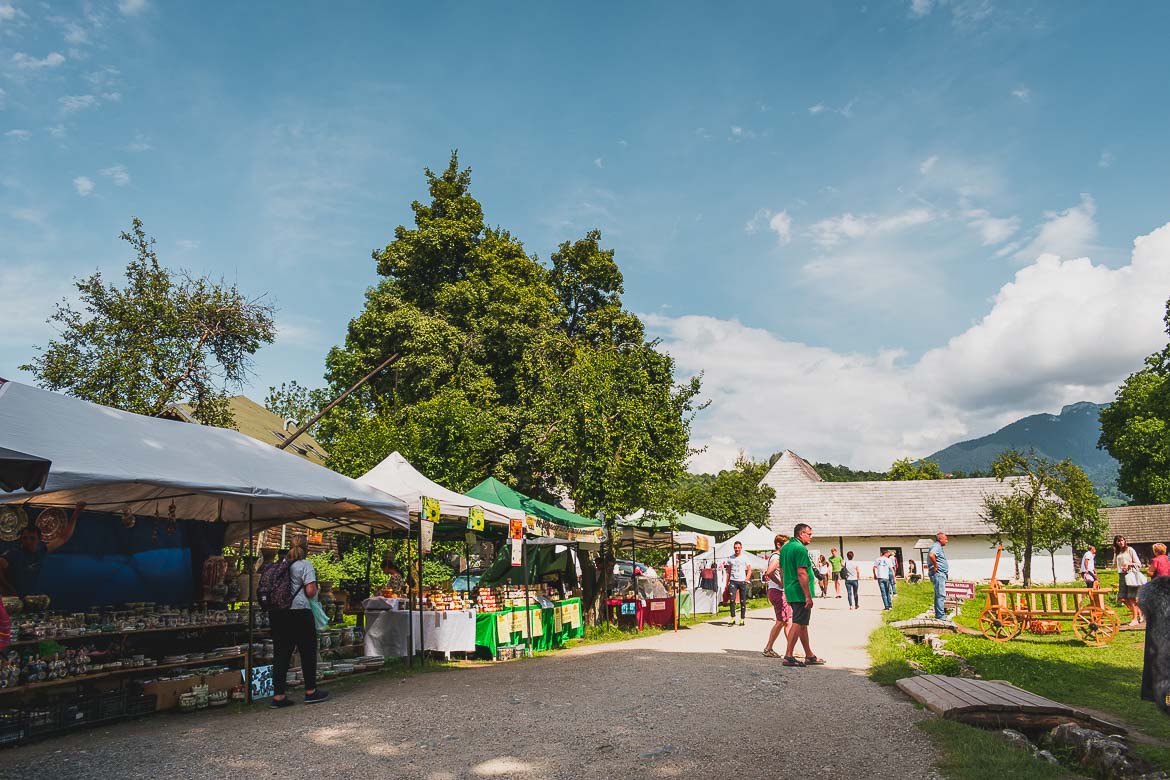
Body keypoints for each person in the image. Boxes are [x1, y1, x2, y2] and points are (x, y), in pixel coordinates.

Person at [270, 535, 329, 707]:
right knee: (307, 651)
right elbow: (310, 591)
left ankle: (278, 696)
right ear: (307, 548)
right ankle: (311, 691)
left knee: (281, 653)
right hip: (299, 612)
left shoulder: (280, 565)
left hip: (279, 613)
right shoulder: (305, 565)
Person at [0, 503, 84, 596]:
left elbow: (63, 538)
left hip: (29, 599)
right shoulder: (13, 554)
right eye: (25, 538)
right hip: (13, 601)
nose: (28, 541)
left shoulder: (40, 551)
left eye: (32, 538)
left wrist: (76, 513)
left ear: (39, 540)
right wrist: (6, 588)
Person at [780, 523, 824, 667]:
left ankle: (809, 655)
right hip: (800, 592)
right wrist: (807, 595)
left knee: (803, 624)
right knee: (798, 622)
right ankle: (788, 655)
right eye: (809, 534)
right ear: (800, 534)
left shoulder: (785, 548)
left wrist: (785, 585)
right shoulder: (800, 549)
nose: (811, 536)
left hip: (790, 589)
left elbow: (781, 570)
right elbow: (802, 572)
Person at [762, 533, 792, 658]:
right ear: (779, 545)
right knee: (782, 621)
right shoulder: (777, 558)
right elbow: (768, 572)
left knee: (786, 621)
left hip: (777, 591)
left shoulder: (778, 557)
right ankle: (769, 648)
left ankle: (790, 649)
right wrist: (780, 583)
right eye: (786, 545)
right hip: (778, 592)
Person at [1114, 535, 1144, 627]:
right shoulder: (1117, 552)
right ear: (1116, 543)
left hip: (1131, 575)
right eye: (1118, 541)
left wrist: (1129, 564)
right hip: (1121, 575)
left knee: (1131, 597)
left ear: (1125, 541)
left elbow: (1138, 564)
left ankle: (1135, 618)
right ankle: (1140, 612)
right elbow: (1114, 564)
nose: (1121, 542)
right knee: (1122, 598)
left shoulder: (1130, 550)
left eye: (1122, 540)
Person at [723, 541, 752, 626]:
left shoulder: (745, 558)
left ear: (741, 548)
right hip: (733, 581)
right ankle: (732, 618)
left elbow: (750, 569)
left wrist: (746, 579)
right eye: (735, 548)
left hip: (742, 581)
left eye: (738, 548)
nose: (737, 549)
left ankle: (742, 619)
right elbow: (728, 571)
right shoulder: (730, 558)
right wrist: (726, 582)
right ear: (734, 548)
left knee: (743, 601)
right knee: (732, 600)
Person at [928, 532, 949, 621]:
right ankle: (941, 616)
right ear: (940, 539)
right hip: (939, 573)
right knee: (941, 594)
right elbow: (931, 555)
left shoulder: (938, 547)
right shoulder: (936, 546)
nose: (947, 541)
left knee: (939, 595)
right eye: (945, 539)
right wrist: (936, 566)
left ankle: (939, 614)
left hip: (940, 573)